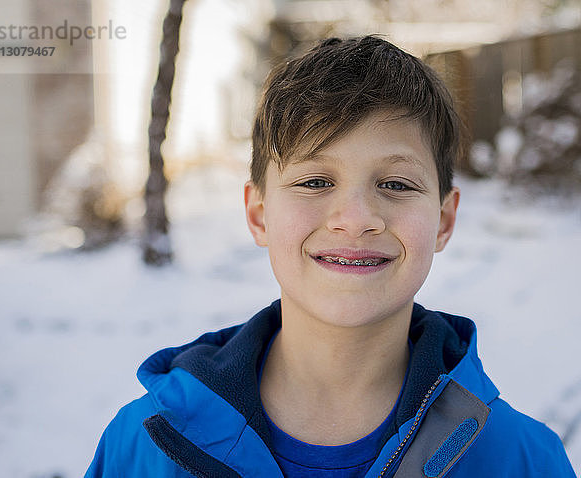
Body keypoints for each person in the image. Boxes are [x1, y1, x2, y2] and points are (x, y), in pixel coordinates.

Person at [85, 36, 575, 477]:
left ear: (444, 220)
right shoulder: (141, 449)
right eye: (315, 182)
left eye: (396, 184)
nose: (357, 218)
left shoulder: (522, 459)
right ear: (259, 215)